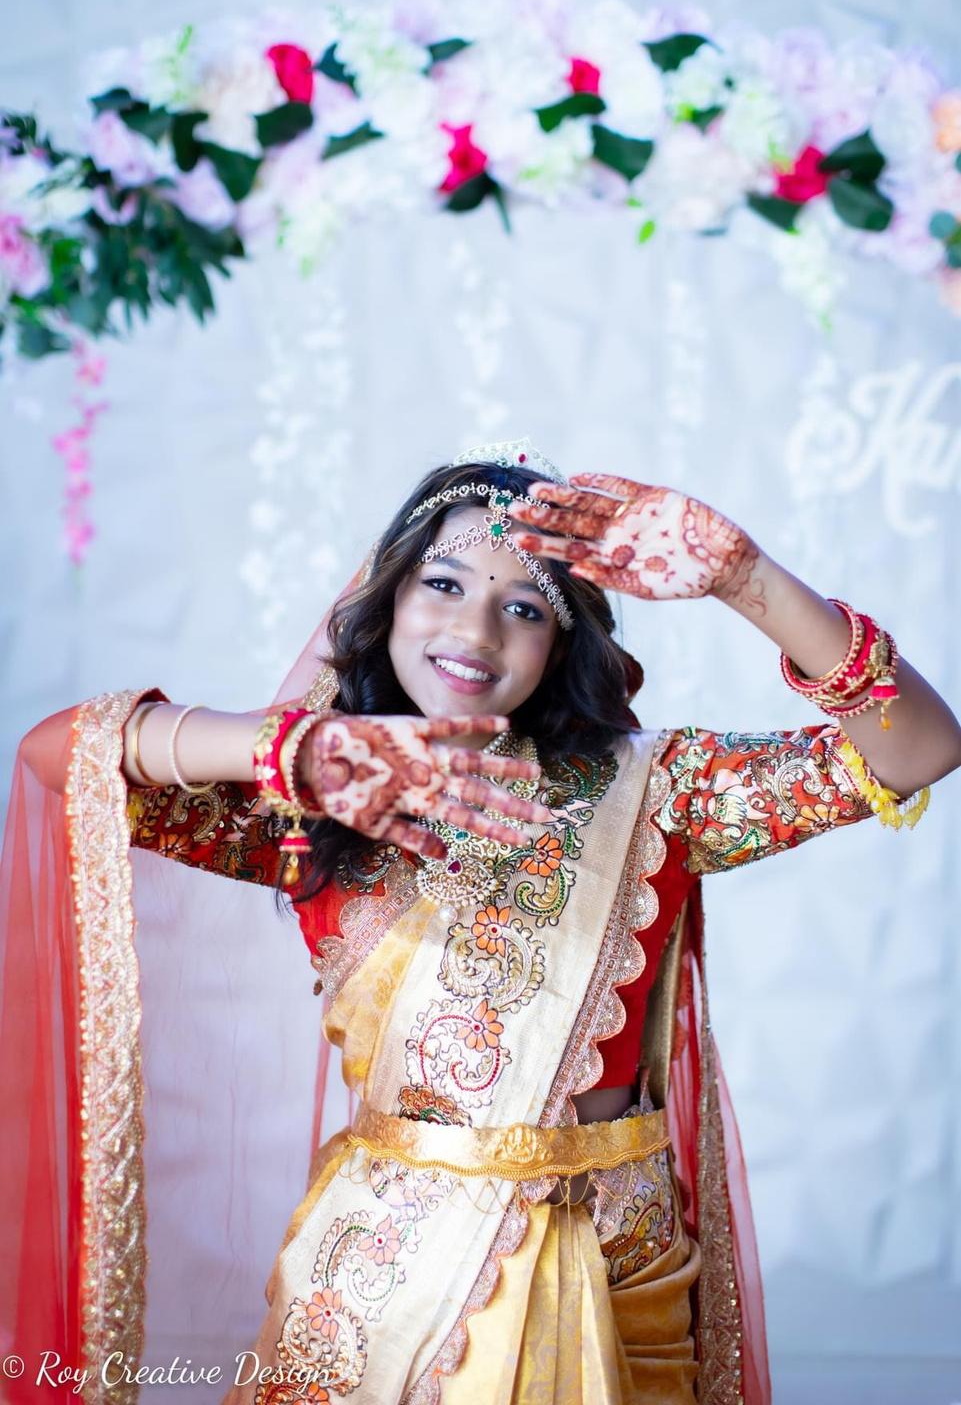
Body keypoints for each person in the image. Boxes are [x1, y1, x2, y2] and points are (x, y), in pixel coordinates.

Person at [2, 437, 958, 1405]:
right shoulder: (318, 800)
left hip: (617, 1282)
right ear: (384, 601)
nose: (475, 629)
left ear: (561, 644)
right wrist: (293, 749)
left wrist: (746, 581)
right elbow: (57, 756)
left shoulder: (658, 792)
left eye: (524, 607)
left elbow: (915, 750)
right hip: (382, 1294)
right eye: (443, 585)